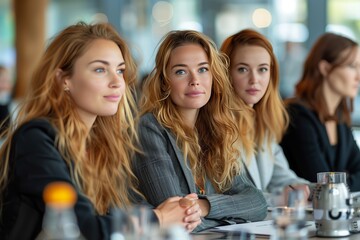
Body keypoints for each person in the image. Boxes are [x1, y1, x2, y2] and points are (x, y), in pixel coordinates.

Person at [0, 22, 201, 240]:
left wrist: (181, 210)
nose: (117, 82)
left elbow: (121, 208)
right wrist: (159, 217)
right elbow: (84, 229)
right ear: (64, 79)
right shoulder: (37, 139)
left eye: (120, 70)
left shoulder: (100, 143)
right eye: (100, 69)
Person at [133, 29, 267, 232]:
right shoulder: (150, 128)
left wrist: (205, 206)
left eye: (203, 69)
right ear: (163, 82)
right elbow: (179, 220)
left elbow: (257, 202)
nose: (195, 80)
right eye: (181, 71)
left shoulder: (216, 130)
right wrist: (234, 219)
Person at [220, 29, 310, 199]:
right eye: (242, 69)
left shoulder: (261, 121)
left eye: (262, 69)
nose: (254, 79)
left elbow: (285, 180)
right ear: (226, 74)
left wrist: (322, 190)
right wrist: (279, 198)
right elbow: (232, 197)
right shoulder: (217, 124)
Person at [280, 32, 360, 191]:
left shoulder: (339, 119)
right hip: (299, 214)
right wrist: (346, 181)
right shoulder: (297, 115)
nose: (358, 76)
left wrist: (339, 184)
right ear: (325, 68)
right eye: (352, 66)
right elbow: (323, 186)